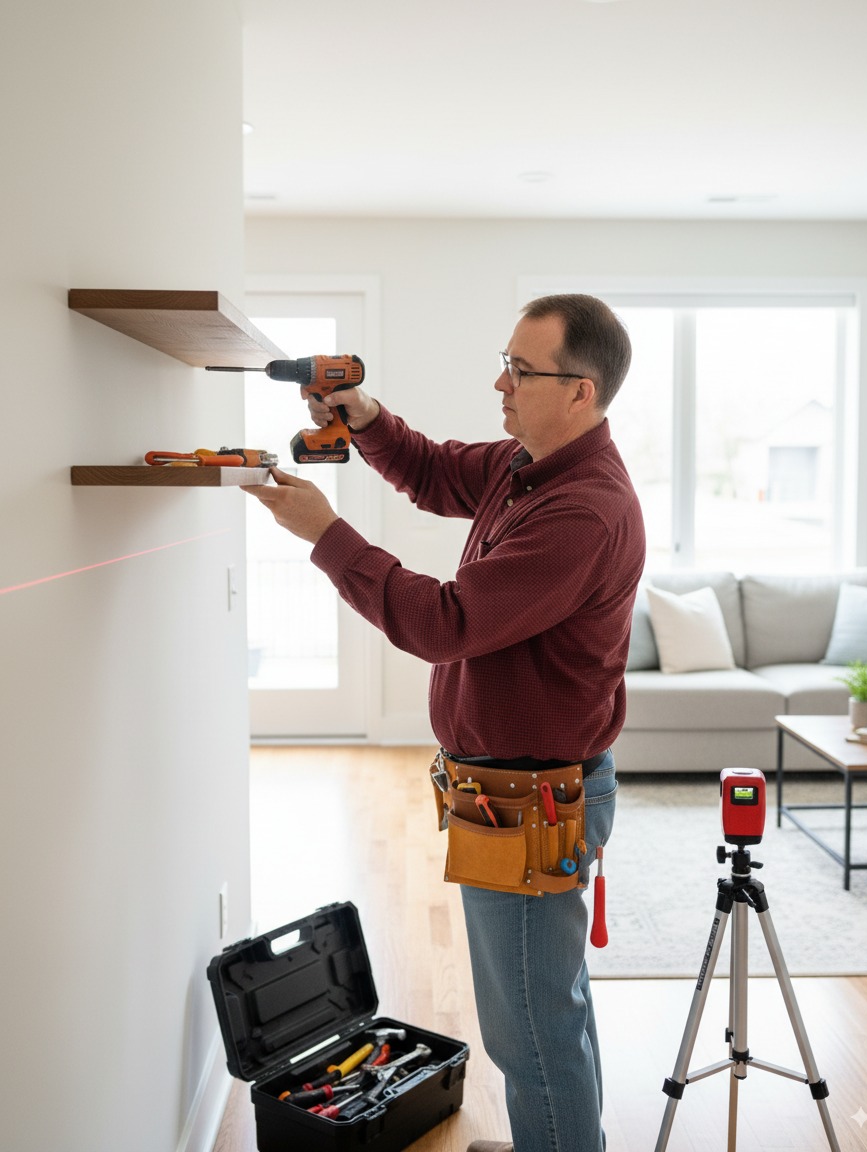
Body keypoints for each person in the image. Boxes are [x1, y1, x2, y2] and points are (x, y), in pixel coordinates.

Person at [242, 293, 646, 1152]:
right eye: (503, 360)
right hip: (506, 790)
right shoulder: (528, 464)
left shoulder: (585, 510)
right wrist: (368, 419)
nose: (500, 383)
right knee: (547, 1012)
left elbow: (444, 624)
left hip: (532, 800)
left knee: (532, 1030)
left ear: (582, 391)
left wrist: (327, 535)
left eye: (521, 370)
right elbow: (435, 472)